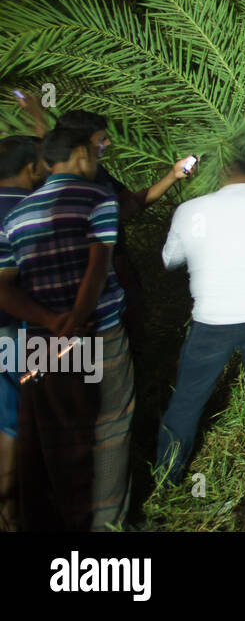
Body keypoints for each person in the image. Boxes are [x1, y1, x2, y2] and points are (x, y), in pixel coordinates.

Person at [0, 127, 136, 531]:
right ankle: (108, 524)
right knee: (110, 426)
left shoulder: (19, 213)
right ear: (79, 154)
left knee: (62, 434)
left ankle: (70, 521)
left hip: (44, 339)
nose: (97, 158)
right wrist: (77, 317)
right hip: (100, 331)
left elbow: (3, 287)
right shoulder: (98, 198)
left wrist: (50, 321)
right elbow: (98, 264)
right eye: (95, 151)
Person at [155, 149, 245, 487]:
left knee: (189, 395)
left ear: (220, 175)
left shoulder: (190, 210)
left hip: (211, 317)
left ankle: (168, 473)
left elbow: (169, 258)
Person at [53, 110, 195, 345]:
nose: (107, 144)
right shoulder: (52, 191)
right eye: (101, 139)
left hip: (117, 275)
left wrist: (172, 175)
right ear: (79, 146)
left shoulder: (99, 174)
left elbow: (131, 205)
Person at [0, 135, 53, 531]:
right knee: (15, 420)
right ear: (32, 169)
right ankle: (13, 516)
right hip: (15, 328)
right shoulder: (30, 210)